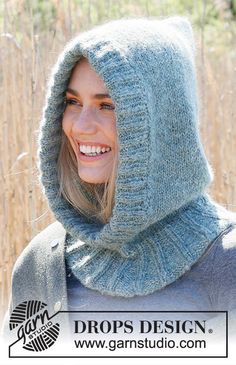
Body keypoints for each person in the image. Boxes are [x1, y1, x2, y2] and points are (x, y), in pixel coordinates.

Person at [2, 15, 236, 345]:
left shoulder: (227, 262)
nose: (81, 126)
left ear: (164, 121)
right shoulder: (41, 263)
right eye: (72, 102)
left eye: (107, 105)